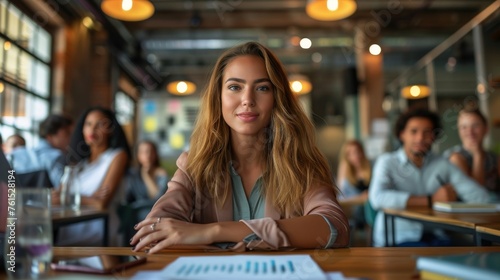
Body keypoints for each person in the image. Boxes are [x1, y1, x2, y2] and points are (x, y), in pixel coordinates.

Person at [131, 42, 349, 254]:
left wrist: (214, 232)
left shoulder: (301, 163)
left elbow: (334, 227)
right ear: (219, 97)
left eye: (262, 88)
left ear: (277, 98)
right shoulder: (194, 165)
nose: (247, 100)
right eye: (235, 87)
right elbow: (155, 230)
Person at [369, 108, 490, 247]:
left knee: (474, 254)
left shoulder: (442, 163)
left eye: (427, 132)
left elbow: (480, 197)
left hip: (436, 235)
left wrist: (454, 197)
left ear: (434, 136)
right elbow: (377, 198)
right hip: (397, 237)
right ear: (402, 134)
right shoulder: (387, 162)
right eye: (414, 132)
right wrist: (432, 200)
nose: (420, 138)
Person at [55, 106, 131, 246]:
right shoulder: (79, 164)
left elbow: (100, 203)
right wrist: (88, 198)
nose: (92, 130)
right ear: (82, 129)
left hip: (99, 232)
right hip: (68, 229)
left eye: (100, 125)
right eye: (88, 124)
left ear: (111, 130)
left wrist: (66, 198)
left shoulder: (117, 156)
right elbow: (57, 196)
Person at [443, 107, 500, 198]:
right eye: (464, 127)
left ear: (486, 129)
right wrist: (478, 155)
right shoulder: (455, 157)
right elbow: (475, 194)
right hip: (466, 210)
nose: (470, 132)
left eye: (475, 126)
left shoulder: (494, 158)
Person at [10, 114, 73, 187]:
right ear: (50, 135)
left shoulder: (16, 154)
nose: (70, 139)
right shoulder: (56, 157)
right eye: (67, 134)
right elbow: (62, 190)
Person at [125, 140, 168, 219]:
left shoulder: (161, 174)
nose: (147, 155)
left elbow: (158, 197)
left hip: (157, 214)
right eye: (143, 152)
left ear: (155, 154)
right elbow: (127, 199)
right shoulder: (133, 175)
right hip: (136, 214)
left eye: (150, 151)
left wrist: (146, 175)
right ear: (138, 155)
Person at [336, 139, 371, 229]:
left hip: (370, 211)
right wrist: (359, 199)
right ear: (346, 157)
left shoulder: (371, 167)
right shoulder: (345, 170)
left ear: (362, 152)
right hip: (354, 213)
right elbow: (340, 200)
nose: (355, 156)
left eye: (357, 151)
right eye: (350, 154)